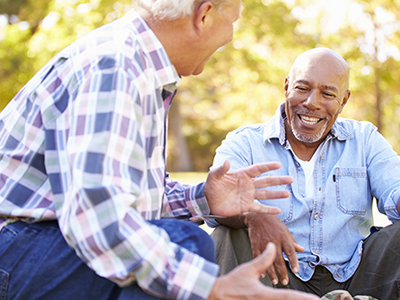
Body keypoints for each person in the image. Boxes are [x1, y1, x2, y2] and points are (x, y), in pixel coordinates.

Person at [0, 0, 321, 300]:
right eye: (232, 20)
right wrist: (210, 288)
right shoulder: (116, 67)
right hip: (14, 247)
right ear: (204, 15)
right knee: (183, 244)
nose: (232, 35)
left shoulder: (136, 65)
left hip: (32, 243)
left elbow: (123, 196)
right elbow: (99, 215)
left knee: (175, 244)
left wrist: (204, 198)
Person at [208, 47, 400, 300]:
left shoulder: (365, 140)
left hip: (358, 276)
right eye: (302, 88)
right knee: (227, 234)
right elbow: (217, 201)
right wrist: (252, 216)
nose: (312, 102)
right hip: (277, 279)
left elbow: (394, 188)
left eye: (328, 93)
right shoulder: (244, 144)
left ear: (343, 101)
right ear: (287, 86)